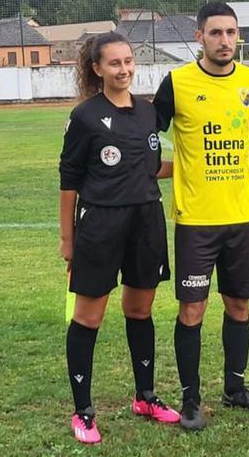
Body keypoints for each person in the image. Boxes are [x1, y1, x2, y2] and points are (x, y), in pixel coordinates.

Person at [153, 2, 249, 430]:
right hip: (196, 220)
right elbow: (143, 138)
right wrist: (174, 169)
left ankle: (235, 388)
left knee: (239, 304)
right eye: (215, 33)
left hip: (241, 216)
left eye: (230, 33)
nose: (224, 41)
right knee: (192, 310)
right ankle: (191, 400)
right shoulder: (177, 84)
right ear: (200, 38)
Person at [59, 31, 179, 445]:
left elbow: (147, 166)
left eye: (129, 61)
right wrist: (67, 239)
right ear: (97, 69)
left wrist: (187, 166)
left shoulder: (146, 113)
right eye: (115, 63)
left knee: (140, 310)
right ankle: (84, 412)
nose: (124, 69)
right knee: (88, 316)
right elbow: (69, 181)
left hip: (146, 219)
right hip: (100, 225)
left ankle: (145, 396)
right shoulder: (86, 116)